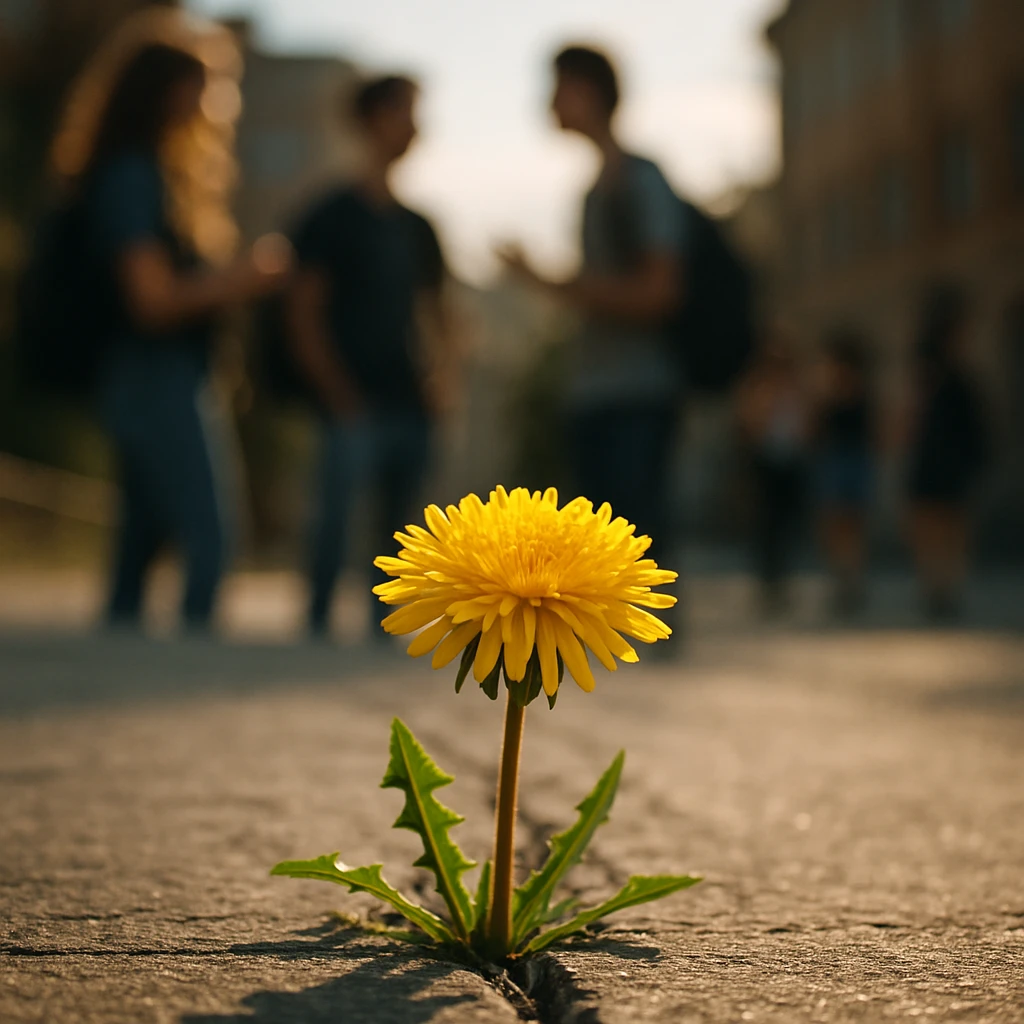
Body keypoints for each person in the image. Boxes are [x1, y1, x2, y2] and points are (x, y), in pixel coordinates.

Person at [56, 30, 288, 632]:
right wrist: (243, 279)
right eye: (201, 90)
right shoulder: (133, 175)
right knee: (208, 532)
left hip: (143, 374)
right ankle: (189, 663)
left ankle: (115, 668)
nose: (209, 106)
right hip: (151, 374)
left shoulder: (139, 170)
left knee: (142, 534)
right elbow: (152, 299)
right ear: (165, 93)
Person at [498, 45, 685, 567]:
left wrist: (553, 282)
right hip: (596, 390)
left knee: (635, 534)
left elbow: (660, 290)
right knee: (601, 538)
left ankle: (646, 640)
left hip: (638, 388)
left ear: (586, 92)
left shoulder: (639, 181)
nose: (549, 102)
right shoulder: (597, 189)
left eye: (557, 87)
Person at [285, 74, 451, 639]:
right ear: (369, 120)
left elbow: (440, 313)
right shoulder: (330, 215)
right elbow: (303, 312)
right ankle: (317, 629)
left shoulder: (417, 226)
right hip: (351, 400)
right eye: (403, 110)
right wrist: (336, 391)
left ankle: (388, 637)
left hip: (408, 400)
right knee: (333, 522)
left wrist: (442, 379)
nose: (413, 125)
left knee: (401, 536)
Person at [905, 285, 990, 621]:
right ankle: (937, 588)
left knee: (950, 525)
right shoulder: (933, 372)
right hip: (936, 455)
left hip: (948, 457)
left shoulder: (956, 376)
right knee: (934, 525)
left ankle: (944, 588)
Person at [736, 339, 812, 615]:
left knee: (787, 524)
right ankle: (768, 583)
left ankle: (783, 581)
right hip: (765, 464)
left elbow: (809, 424)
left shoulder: (799, 390)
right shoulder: (756, 389)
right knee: (765, 526)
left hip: (792, 464)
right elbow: (749, 424)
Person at [814, 331, 875, 616]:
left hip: (851, 461)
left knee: (851, 523)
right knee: (837, 524)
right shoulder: (830, 393)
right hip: (838, 461)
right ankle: (842, 579)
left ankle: (850, 580)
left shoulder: (860, 392)